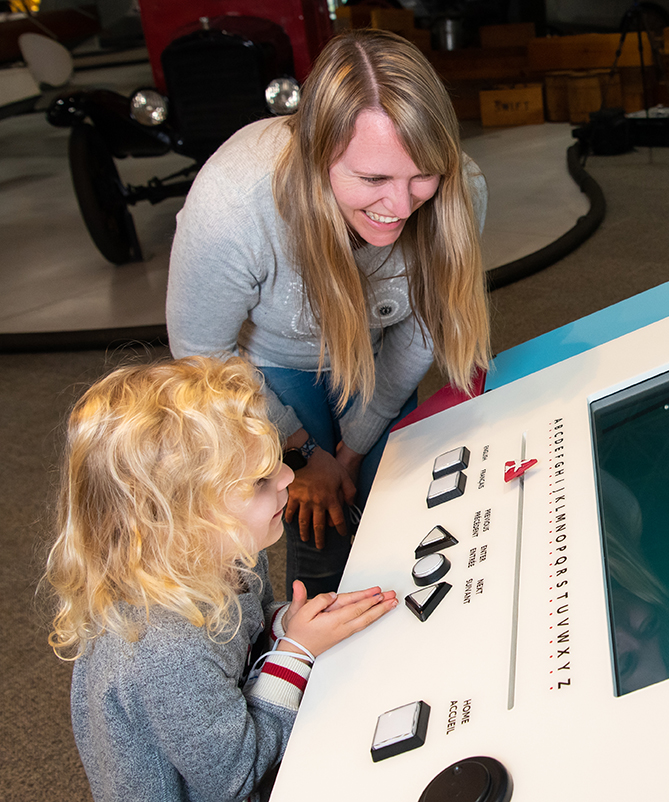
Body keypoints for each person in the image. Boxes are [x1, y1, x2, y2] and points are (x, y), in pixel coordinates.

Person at [166, 29, 491, 597]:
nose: (400, 206)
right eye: (373, 179)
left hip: (378, 351)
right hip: (265, 369)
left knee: (398, 500)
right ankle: (306, 649)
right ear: (320, 158)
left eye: (422, 175)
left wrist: (353, 448)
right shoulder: (234, 202)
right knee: (317, 521)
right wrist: (303, 454)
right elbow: (200, 359)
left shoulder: (462, 191)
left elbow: (421, 329)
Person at [43, 357, 398, 801]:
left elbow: (242, 633)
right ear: (182, 521)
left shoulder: (232, 554)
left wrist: (285, 623)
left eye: (279, 460)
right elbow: (237, 776)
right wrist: (297, 651)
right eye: (258, 481)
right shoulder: (164, 650)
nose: (289, 476)